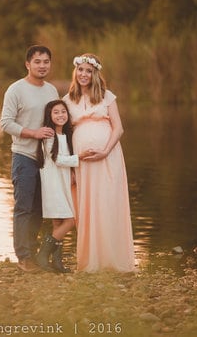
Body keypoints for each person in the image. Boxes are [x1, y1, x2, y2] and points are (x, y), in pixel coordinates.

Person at [63, 53, 135, 273]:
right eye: (81, 70)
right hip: (82, 162)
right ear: (75, 72)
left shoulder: (106, 96)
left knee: (107, 201)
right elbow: (64, 136)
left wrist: (105, 151)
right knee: (87, 205)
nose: (84, 74)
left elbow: (118, 128)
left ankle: (113, 259)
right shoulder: (67, 100)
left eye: (89, 71)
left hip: (108, 157)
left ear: (95, 74)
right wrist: (70, 167)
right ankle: (90, 261)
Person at [0, 45, 59, 273]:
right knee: (24, 207)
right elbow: (5, 123)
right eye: (37, 62)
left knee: (39, 209)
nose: (42, 65)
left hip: (47, 159)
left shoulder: (52, 91)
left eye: (46, 61)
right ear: (28, 64)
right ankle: (24, 257)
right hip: (24, 156)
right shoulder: (16, 90)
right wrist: (33, 133)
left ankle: (33, 252)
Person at [35, 100, 89, 273]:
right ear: (49, 116)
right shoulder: (49, 135)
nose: (60, 115)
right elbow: (57, 159)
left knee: (58, 223)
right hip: (53, 184)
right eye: (56, 112)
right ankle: (42, 254)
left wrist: (73, 171)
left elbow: (64, 158)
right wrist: (79, 158)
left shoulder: (66, 135)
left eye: (63, 112)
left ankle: (57, 263)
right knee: (70, 221)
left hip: (63, 183)